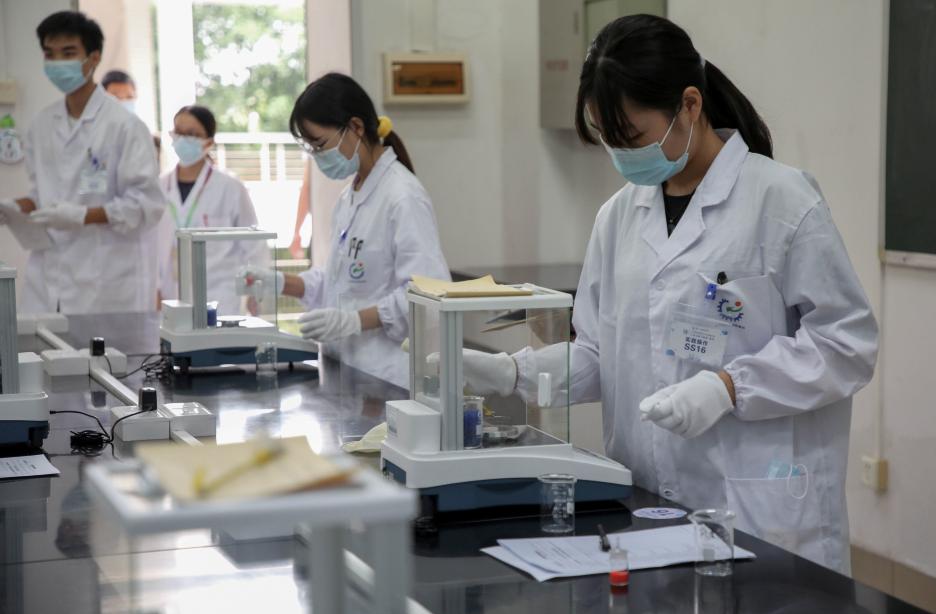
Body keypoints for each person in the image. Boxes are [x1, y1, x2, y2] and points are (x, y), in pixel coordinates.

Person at [461, 15, 878, 574]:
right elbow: (600, 353)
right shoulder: (617, 217)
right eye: (607, 139)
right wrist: (515, 373)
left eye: (631, 137)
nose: (621, 154)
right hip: (647, 502)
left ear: (689, 106)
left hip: (758, 506)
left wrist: (729, 386)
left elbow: (845, 345)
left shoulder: (781, 201)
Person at [241, 73, 450, 388]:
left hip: (388, 375)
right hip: (348, 371)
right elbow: (338, 281)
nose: (318, 157)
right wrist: (281, 283)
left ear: (355, 127)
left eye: (320, 145)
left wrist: (355, 320)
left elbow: (428, 293)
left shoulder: (402, 196)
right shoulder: (349, 197)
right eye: (311, 149)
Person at [0, 11, 163, 313]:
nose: (57, 62)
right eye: (49, 54)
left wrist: (82, 216)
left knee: (102, 346)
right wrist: (13, 208)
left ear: (93, 58)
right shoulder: (42, 125)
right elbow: (43, 196)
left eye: (68, 53)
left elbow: (146, 205)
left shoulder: (124, 126)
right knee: (38, 340)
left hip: (106, 282)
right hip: (49, 277)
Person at [156, 105, 265, 314]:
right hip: (171, 293)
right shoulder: (160, 187)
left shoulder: (230, 187)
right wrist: (154, 286)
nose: (183, 139)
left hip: (219, 294)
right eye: (179, 132)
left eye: (192, 134)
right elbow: (151, 244)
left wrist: (256, 291)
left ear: (208, 142)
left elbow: (254, 244)